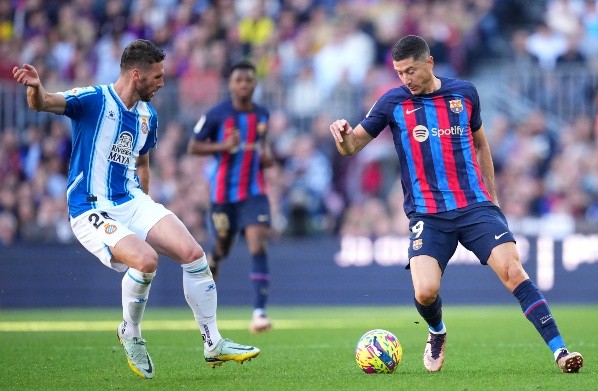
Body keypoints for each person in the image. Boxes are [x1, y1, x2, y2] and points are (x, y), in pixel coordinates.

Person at [329, 35, 583, 374]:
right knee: (425, 292)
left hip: (474, 205)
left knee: (513, 272)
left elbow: (481, 145)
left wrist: (491, 198)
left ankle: (560, 351)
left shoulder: (464, 93)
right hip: (427, 213)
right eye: (400, 72)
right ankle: (437, 331)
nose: (406, 79)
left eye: (411, 71)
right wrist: (343, 135)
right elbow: (352, 146)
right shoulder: (392, 102)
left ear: (430, 63)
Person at [12, 39, 260, 380]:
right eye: (157, 77)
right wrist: (36, 88)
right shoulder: (93, 99)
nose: (161, 83)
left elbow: (142, 162)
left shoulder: (147, 115)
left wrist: (145, 210)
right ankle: (131, 332)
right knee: (146, 261)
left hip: (131, 201)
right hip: (90, 207)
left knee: (194, 254)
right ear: (136, 74)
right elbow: (42, 103)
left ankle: (213, 342)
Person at [187, 60, 274, 334]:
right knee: (222, 246)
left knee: (258, 241)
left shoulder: (262, 115)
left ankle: (259, 312)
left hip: (254, 191)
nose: (244, 85)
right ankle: (214, 258)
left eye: (249, 80)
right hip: (223, 195)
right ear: (231, 84)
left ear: (255, 84)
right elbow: (193, 146)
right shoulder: (216, 114)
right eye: (239, 80)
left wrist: (267, 157)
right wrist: (225, 146)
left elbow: (263, 150)